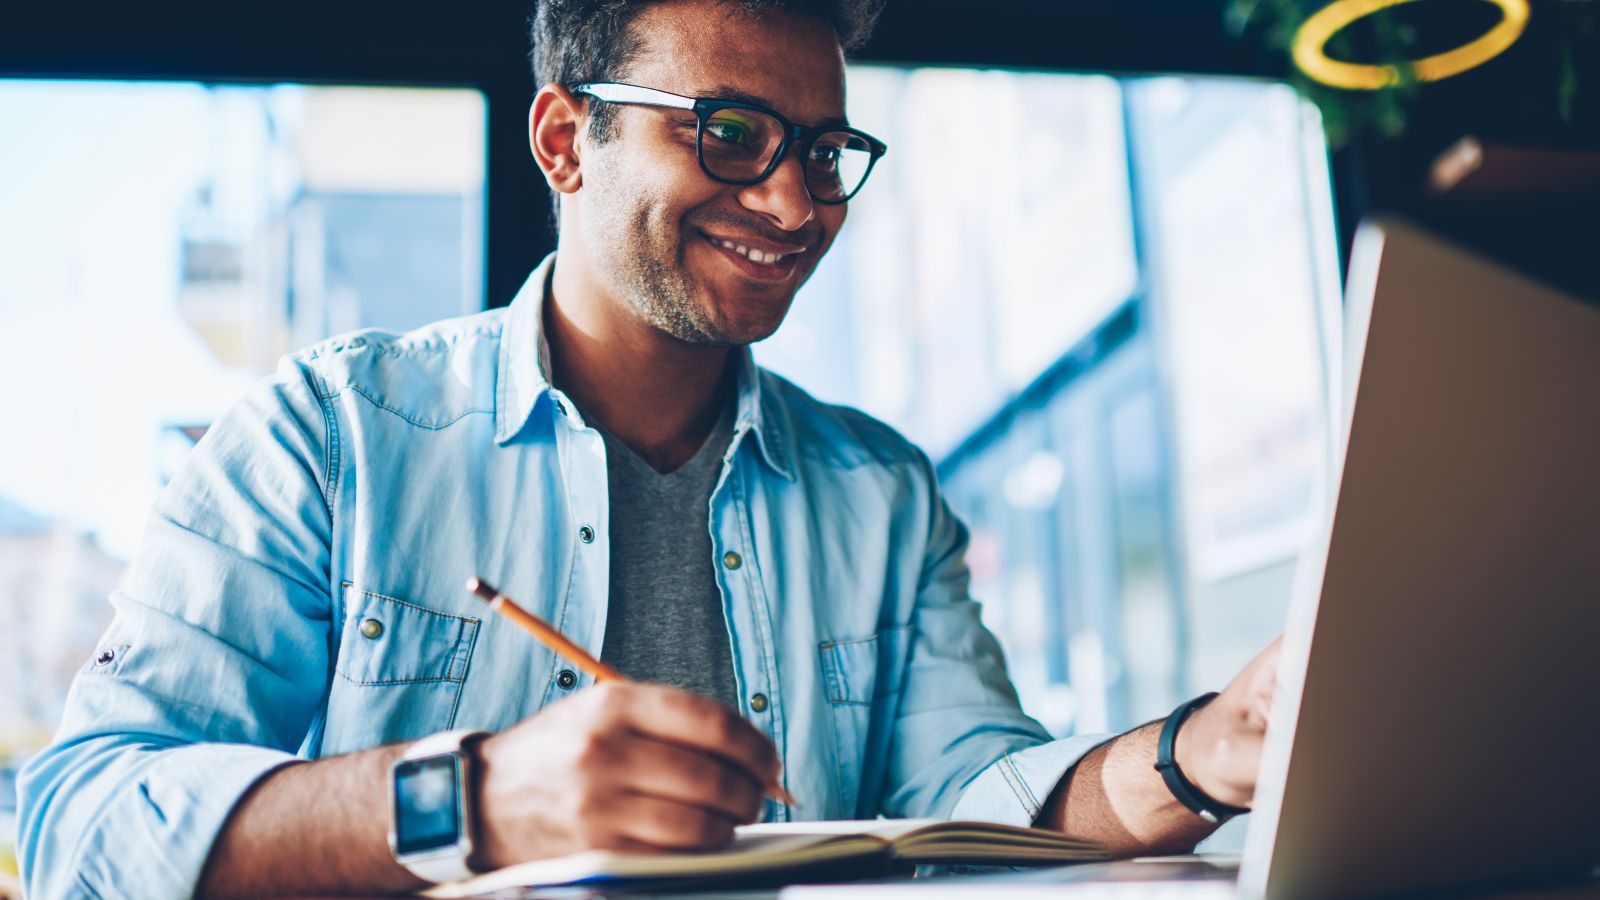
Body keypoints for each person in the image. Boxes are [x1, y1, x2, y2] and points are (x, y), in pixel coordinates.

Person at [17, 0, 1281, 896]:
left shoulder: (880, 493)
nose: (794, 204)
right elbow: (83, 827)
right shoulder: (329, 439)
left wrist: (1200, 753)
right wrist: (478, 802)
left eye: (826, 152)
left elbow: (980, 806)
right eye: (727, 132)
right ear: (565, 141)